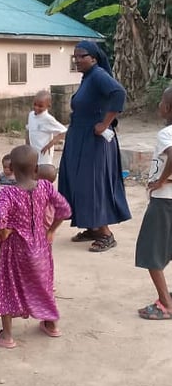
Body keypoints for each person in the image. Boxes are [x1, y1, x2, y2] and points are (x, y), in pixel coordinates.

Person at [0, 145, 71, 348]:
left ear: (13, 170)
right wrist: (51, 230)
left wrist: (6, 230)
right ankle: (51, 325)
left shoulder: (8, 194)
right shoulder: (45, 186)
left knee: (8, 287)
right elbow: (65, 209)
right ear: (36, 169)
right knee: (44, 283)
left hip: (15, 251)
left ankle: (7, 336)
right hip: (41, 247)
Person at [58, 40, 131, 252]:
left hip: (93, 142)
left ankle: (106, 233)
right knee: (78, 182)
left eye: (82, 56)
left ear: (94, 58)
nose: (77, 59)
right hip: (80, 138)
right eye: (75, 56)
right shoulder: (88, 78)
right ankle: (92, 227)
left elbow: (119, 93)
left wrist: (104, 124)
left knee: (92, 184)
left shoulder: (98, 75)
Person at [136, 87, 172, 320]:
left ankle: (165, 304)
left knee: (150, 252)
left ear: (167, 108)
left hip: (164, 202)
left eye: (161, 101)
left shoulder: (166, 134)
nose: (159, 104)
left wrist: (160, 180)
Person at [26, 89, 67, 183]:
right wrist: (27, 144)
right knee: (33, 175)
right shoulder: (31, 115)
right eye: (35, 104)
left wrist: (51, 144)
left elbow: (64, 131)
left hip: (44, 154)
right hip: (33, 152)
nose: (36, 108)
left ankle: (45, 194)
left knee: (44, 177)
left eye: (40, 106)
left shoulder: (48, 119)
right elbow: (28, 129)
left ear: (48, 106)